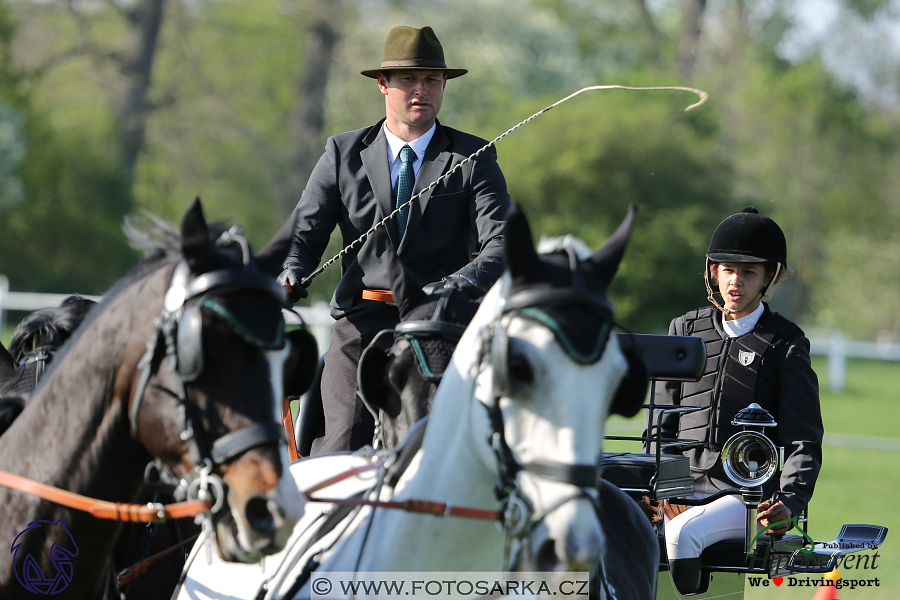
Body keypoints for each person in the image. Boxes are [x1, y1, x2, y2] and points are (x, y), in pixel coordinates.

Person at [278, 26, 511, 455]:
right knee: (339, 455)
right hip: (361, 327)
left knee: (434, 458)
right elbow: (303, 235)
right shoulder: (341, 153)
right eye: (408, 79)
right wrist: (291, 271)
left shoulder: (474, 158)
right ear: (383, 85)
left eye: (432, 80)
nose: (421, 90)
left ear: (443, 85)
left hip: (440, 330)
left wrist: (451, 288)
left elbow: (501, 244)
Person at [647, 207, 823, 595]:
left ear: (769, 278)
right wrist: (655, 488)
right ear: (713, 272)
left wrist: (790, 503)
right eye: (728, 270)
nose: (735, 282)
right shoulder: (684, 331)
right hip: (677, 490)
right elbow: (658, 427)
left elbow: (803, 439)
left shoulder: (786, 343)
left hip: (744, 498)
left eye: (748, 273)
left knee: (682, 536)